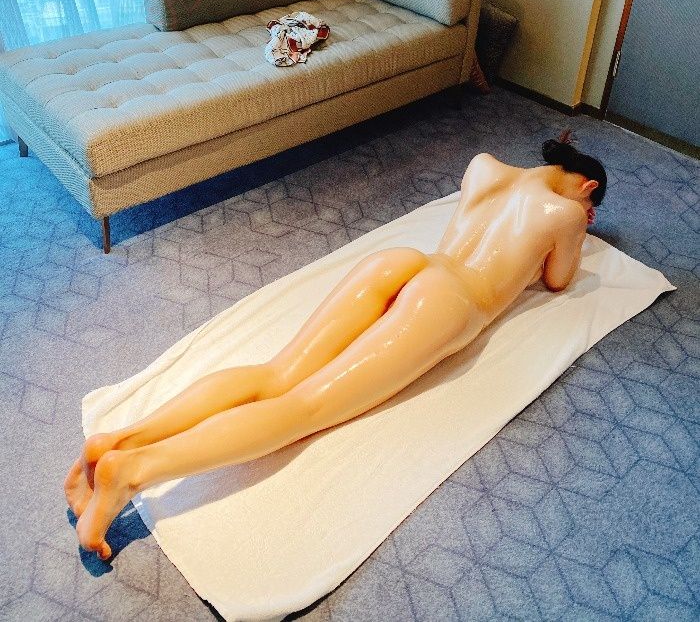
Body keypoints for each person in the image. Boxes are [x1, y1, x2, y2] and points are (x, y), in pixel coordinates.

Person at [65, 131, 607, 559]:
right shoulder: (563, 214)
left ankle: (119, 439)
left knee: (275, 374)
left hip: (404, 263)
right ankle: (132, 470)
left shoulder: (485, 166)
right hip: (449, 302)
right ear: (586, 187)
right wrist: (579, 224)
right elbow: (559, 279)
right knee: (305, 407)